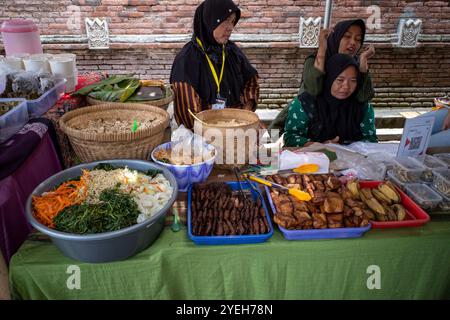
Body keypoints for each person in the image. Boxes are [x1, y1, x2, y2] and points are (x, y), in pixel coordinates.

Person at [269, 19, 376, 134]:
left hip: (338, 117)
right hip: (309, 110)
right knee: (274, 133)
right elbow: (313, 89)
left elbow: (364, 97)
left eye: (358, 39)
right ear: (336, 37)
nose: (353, 43)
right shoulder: (314, 60)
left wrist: (363, 60)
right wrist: (322, 49)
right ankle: (264, 148)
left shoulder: (356, 64)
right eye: (347, 36)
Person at [170, 0, 259, 129]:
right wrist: (222, 131)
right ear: (209, 21)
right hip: (203, 136)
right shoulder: (186, 60)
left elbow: (251, 81)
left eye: (233, 21)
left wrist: (245, 116)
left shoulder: (232, 52)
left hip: (237, 127)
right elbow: (188, 115)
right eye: (226, 20)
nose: (230, 27)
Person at [284, 54, 377, 147]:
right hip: (312, 160)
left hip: (354, 159)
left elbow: (371, 140)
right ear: (328, 78)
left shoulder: (362, 107)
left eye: (353, 80)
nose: (346, 86)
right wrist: (318, 146)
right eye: (340, 80)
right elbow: (291, 137)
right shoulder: (305, 103)